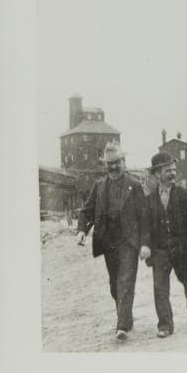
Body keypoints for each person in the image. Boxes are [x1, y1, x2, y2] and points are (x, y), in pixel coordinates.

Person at [76, 142, 151, 342]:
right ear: (106, 165)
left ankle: (122, 326)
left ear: (123, 161)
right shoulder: (99, 186)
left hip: (129, 241)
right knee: (114, 285)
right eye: (110, 164)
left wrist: (145, 243)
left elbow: (144, 216)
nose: (114, 167)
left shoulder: (134, 185)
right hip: (108, 242)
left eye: (117, 162)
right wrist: (82, 230)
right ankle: (126, 316)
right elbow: (87, 211)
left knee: (125, 281)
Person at [145, 151, 187, 337]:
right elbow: (145, 226)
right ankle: (165, 325)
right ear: (157, 174)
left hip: (183, 248)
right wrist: (145, 245)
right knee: (159, 287)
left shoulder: (184, 195)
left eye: (174, 169)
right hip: (160, 250)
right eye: (167, 170)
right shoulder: (149, 200)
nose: (172, 173)